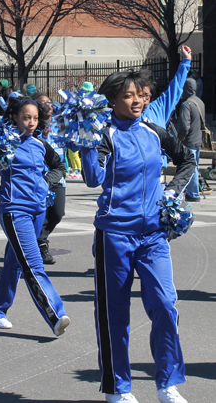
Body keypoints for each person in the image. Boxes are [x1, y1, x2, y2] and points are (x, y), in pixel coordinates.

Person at [81, 69, 195, 403]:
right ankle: (118, 387)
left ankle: (167, 383)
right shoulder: (103, 134)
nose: (138, 101)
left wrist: (172, 193)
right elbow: (91, 178)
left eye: (142, 95)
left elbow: (186, 160)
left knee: (165, 304)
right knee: (114, 313)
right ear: (113, 98)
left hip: (154, 235)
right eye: (130, 95)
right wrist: (87, 142)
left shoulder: (153, 131)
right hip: (114, 234)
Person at [0, 96, 70, 336]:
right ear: (15, 117)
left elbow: (59, 167)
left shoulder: (40, 144)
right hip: (14, 211)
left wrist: (44, 183)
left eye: (35, 118)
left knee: (14, 262)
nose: (31, 122)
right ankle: (55, 314)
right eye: (26, 117)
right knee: (32, 263)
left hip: (38, 210)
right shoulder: (5, 141)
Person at [31, 92, 67, 265]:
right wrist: (43, 136)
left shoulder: (61, 124)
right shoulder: (33, 127)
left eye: (49, 102)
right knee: (40, 214)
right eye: (43, 103)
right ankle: (40, 244)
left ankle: (40, 239)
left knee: (58, 213)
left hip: (57, 177)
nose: (48, 106)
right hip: (39, 179)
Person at [141, 45, 192, 128]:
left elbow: (175, 87)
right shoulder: (124, 115)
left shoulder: (158, 108)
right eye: (140, 95)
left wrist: (186, 61)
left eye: (146, 95)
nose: (144, 99)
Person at [178, 77, 206, 202]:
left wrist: (179, 139)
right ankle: (193, 191)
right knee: (195, 166)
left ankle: (194, 193)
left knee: (191, 167)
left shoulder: (186, 104)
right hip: (198, 140)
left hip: (189, 141)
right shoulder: (200, 102)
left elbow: (185, 126)